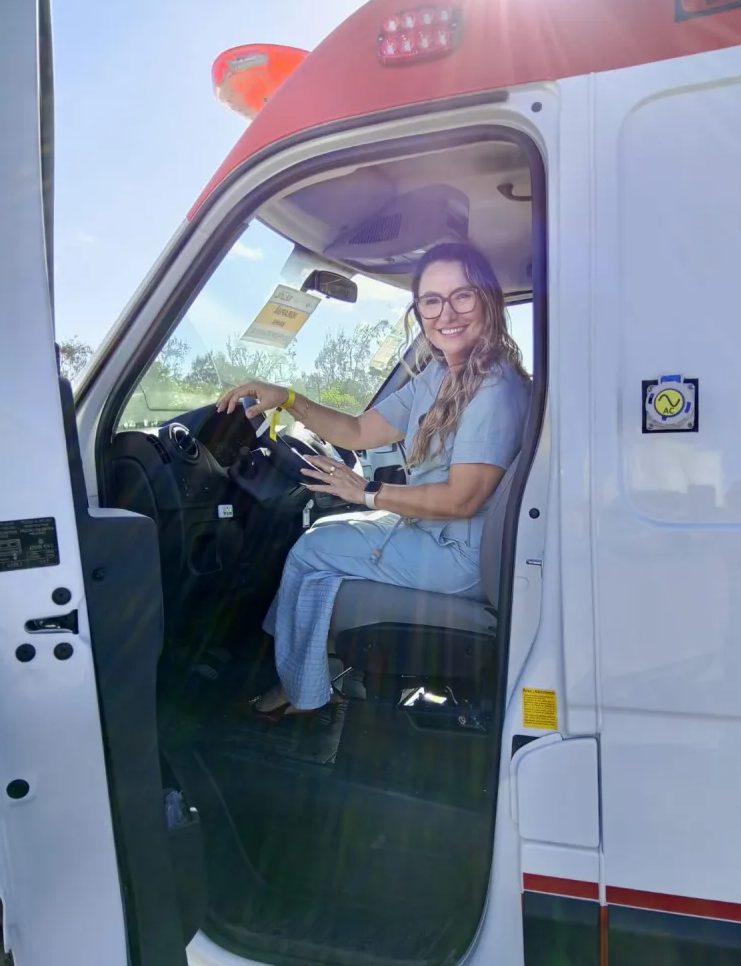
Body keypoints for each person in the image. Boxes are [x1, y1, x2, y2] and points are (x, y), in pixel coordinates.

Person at [216, 242, 531, 720]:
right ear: (419, 310)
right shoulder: (441, 377)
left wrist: (365, 494)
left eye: (462, 296)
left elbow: (462, 500)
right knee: (322, 534)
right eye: (431, 300)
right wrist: (288, 398)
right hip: (438, 533)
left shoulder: (494, 388)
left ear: (487, 300)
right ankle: (305, 670)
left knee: (311, 551)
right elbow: (360, 431)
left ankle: (300, 691)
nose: (446, 313)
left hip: (459, 555)